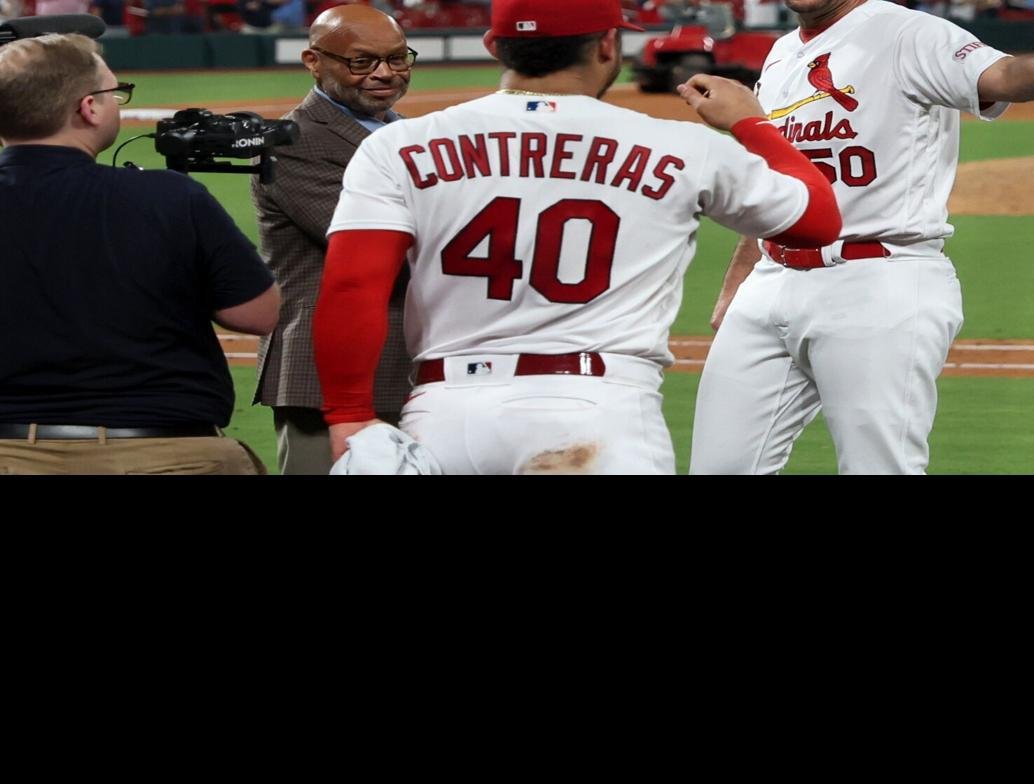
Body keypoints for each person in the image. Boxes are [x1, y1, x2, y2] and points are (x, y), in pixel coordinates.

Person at [311, 0, 839, 474]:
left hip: (446, 413)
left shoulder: (399, 145)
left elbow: (351, 287)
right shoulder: (684, 146)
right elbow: (817, 220)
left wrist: (349, 414)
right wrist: (753, 124)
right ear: (608, 45)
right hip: (600, 413)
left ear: (495, 45)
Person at [688, 0, 1034, 475]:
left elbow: (1003, 75)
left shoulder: (910, 34)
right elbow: (781, 179)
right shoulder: (783, 52)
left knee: (879, 468)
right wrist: (738, 279)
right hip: (770, 282)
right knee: (719, 467)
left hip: (878, 280)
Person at [0, 34, 280, 474]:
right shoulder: (169, 197)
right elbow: (257, 314)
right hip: (166, 452)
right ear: (88, 107)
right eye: (115, 93)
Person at [250, 2, 414, 474]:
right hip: (322, 377)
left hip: (408, 362)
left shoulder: (406, 134)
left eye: (398, 58)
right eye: (362, 62)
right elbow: (384, 252)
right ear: (313, 62)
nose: (386, 74)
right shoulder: (292, 144)